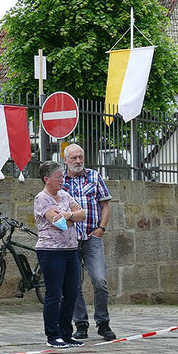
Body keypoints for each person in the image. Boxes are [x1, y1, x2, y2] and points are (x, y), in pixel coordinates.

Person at [62, 143, 116, 341]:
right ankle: (81, 324)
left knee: (100, 280)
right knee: (74, 284)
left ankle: (103, 323)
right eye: (74, 158)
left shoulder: (94, 176)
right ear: (66, 160)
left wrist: (101, 229)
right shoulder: (61, 180)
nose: (78, 161)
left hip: (92, 238)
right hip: (70, 240)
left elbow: (105, 205)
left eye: (80, 157)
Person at [34, 160, 86, 349]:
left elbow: (82, 214)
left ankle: (66, 333)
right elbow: (59, 222)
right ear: (47, 179)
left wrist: (68, 215)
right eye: (58, 177)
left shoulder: (64, 194)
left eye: (62, 176)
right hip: (50, 251)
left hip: (70, 250)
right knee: (54, 294)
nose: (61, 180)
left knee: (71, 293)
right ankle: (53, 334)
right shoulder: (42, 198)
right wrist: (70, 216)